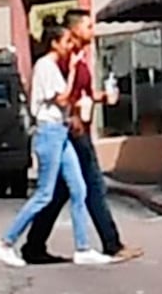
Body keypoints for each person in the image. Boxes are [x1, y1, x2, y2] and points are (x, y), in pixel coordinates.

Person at [0, 23, 86, 270]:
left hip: (60, 131)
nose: (71, 46)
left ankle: (83, 247)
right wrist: (75, 70)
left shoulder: (53, 67)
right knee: (44, 194)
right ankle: (5, 242)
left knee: (78, 189)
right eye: (67, 42)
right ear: (54, 43)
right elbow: (62, 98)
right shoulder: (45, 66)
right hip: (49, 133)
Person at [52, 17, 129, 264]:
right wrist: (73, 116)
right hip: (75, 131)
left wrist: (104, 97)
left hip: (80, 128)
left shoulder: (82, 58)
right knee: (94, 185)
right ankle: (112, 243)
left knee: (60, 191)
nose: (92, 31)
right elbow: (64, 95)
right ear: (74, 30)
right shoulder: (69, 59)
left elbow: (84, 94)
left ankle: (34, 243)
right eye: (87, 26)